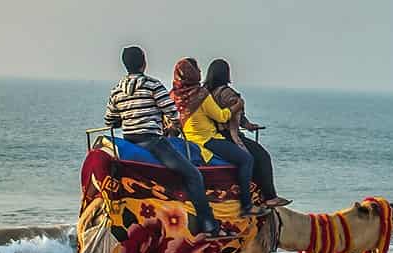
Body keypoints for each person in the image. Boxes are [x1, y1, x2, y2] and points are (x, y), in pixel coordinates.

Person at [104, 46, 233, 239]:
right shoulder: (152, 85)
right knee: (194, 174)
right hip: (152, 142)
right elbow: (172, 113)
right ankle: (209, 225)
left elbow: (110, 120)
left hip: (130, 140)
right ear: (144, 63)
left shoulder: (116, 91)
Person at [170, 58, 269, 218]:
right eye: (197, 70)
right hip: (208, 140)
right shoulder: (201, 94)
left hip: (189, 142)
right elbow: (222, 116)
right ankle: (247, 205)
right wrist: (238, 106)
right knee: (246, 159)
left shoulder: (174, 96)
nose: (200, 72)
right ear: (192, 73)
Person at [204, 59, 291, 208]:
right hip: (229, 135)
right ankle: (269, 196)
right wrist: (246, 124)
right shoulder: (226, 93)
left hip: (211, 135)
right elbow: (234, 113)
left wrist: (246, 124)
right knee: (262, 156)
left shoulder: (204, 92)